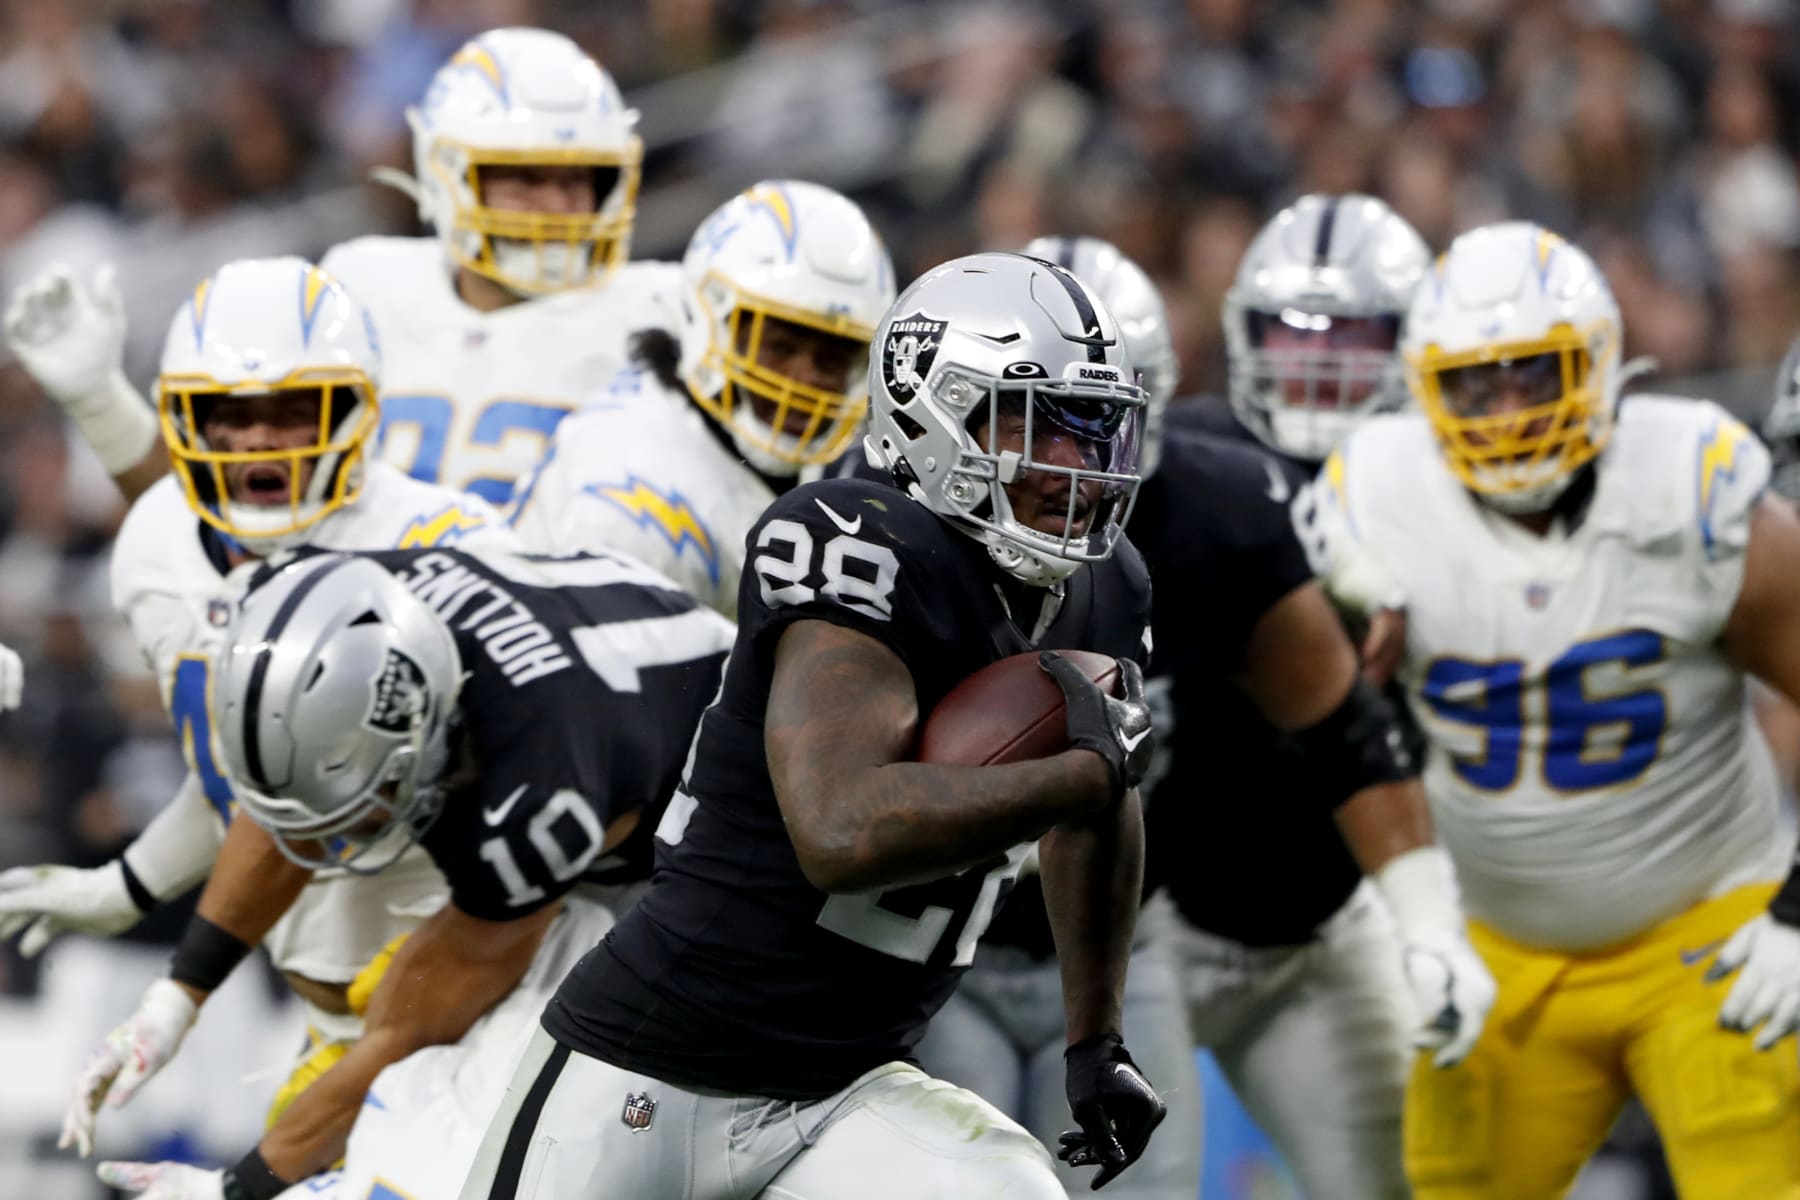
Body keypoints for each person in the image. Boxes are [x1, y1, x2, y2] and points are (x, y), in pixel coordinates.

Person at [462, 252, 1165, 1199]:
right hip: (653, 1065)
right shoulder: (853, 537)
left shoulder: (1107, 584)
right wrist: (1087, 773)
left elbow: (1098, 802)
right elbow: (841, 831)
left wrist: (1097, 1040)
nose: (1075, 464)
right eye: (1038, 423)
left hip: (848, 1087)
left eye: (1091, 429)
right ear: (934, 409)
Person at [1313, 220, 1800, 1199]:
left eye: (1534, 375)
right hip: (1499, 950)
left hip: (1713, 931)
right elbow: (1322, 727)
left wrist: (1799, 909)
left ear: (1601, 363)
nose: (1505, 411)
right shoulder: (1373, 498)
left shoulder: (1691, 483)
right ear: (1423, 388)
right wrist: (1418, 920)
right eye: (1474, 384)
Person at [0, 257, 514, 1149]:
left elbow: (325, 807)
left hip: (481, 1000)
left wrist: (182, 987)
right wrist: (125, 886)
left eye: (292, 411)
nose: (260, 442)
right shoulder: (158, 545)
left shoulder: (445, 544)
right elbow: (248, 792)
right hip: (324, 1010)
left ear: (355, 410)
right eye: (228, 416)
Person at [92, 545, 733, 1200]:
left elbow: (404, 1037)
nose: (331, 834)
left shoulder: (537, 788)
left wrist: (237, 1188)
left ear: (421, 730)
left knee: (463, 1125)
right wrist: (178, 996)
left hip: (708, 866)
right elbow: (291, 793)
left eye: (361, 800)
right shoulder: (339, 604)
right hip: (609, 686)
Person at [1, 27, 680, 511]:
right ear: (447, 174)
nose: (556, 205)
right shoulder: (366, 286)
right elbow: (207, 520)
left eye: (578, 180)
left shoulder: (660, 315)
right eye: (523, 179)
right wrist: (97, 398)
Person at [1164, 199, 1461, 1197]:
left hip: (1328, 925)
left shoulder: (1447, 480)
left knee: (1392, 1182)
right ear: (1248, 333)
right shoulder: (1193, 458)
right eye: (1297, 330)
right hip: (1154, 923)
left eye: (1356, 333)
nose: (1322, 360)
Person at [509, 179, 895, 616]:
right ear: (706, 321)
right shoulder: (637, 504)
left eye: (830, 359)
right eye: (779, 348)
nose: (804, 378)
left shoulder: (709, 438)